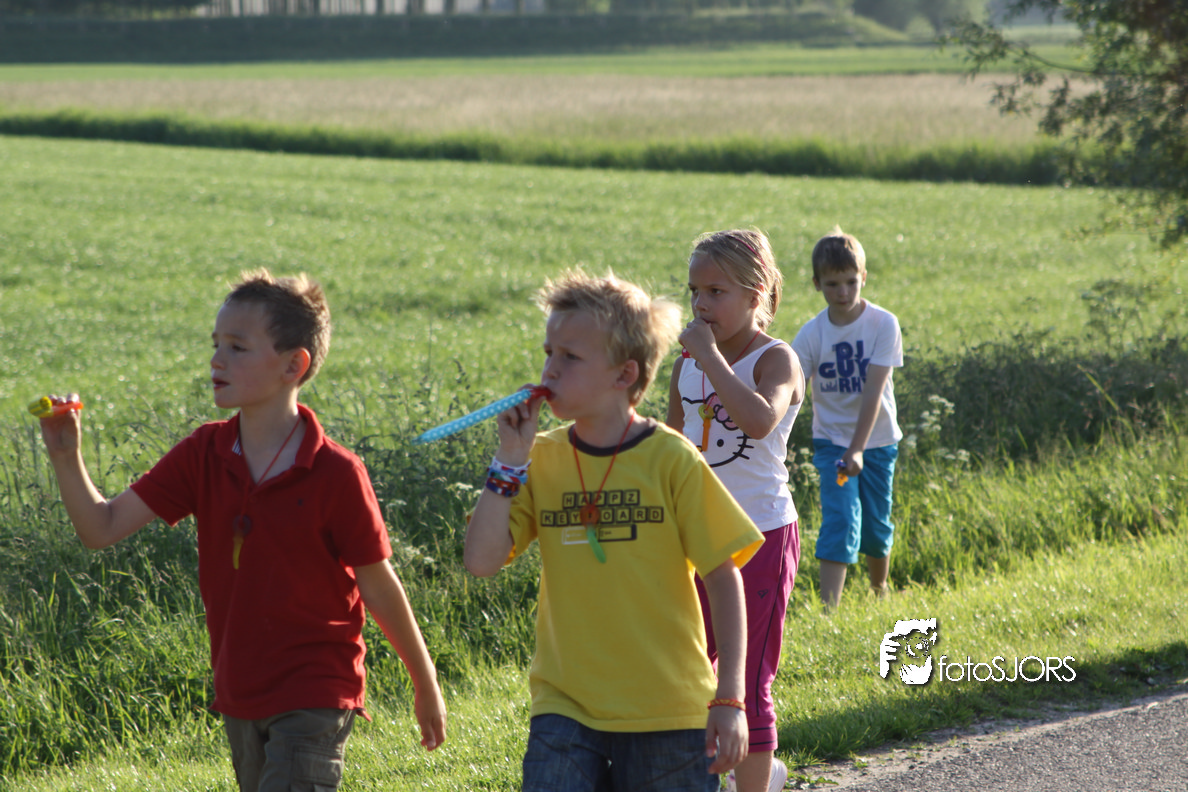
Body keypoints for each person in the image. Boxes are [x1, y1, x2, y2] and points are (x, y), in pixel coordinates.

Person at [36, 270, 447, 791]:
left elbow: (379, 585)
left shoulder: (337, 473)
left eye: (237, 347)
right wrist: (66, 456)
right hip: (241, 692)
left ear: (293, 365)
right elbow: (102, 527)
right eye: (216, 344)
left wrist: (425, 680)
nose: (216, 360)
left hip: (316, 691)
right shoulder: (203, 454)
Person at [464, 269, 764, 792]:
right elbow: (481, 561)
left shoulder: (671, 458)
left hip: (670, 711)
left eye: (570, 357)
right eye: (549, 352)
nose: (550, 369)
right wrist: (508, 460)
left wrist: (731, 698)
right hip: (565, 707)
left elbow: (722, 577)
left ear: (624, 374)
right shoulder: (540, 458)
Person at [666, 228, 804, 792]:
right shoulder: (685, 366)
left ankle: (755, 782)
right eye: (694, 291)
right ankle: (741, 776)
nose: (700, 304)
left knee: (745, 680)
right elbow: (671, 450)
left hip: (761, 535)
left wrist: (711, 359)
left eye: (716, 292)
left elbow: (759, 420)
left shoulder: (777, 359)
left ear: (756, 294)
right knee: (689, 672)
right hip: (696, 541)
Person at [791, 227, 903, 610]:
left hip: (878, 441)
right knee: (840, 517)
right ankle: (829, 610)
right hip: (832, 443)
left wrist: (858, 448)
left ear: (864, 278)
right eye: (832, 284)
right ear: (816, 284)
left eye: (851, 282)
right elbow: (792, 389)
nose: (843, 292)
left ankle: (879, 590)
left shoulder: (883, 324)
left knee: (876, 521)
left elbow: (874, 391)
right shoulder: (811, 334)